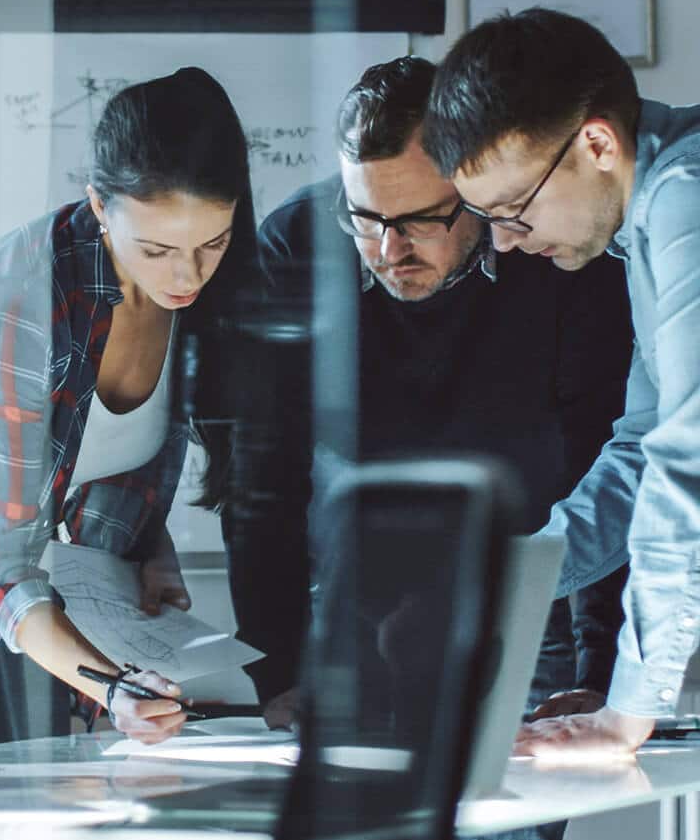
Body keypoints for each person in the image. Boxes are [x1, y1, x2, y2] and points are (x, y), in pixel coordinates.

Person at [239, 56, 633, 784]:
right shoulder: (295, 242)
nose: (390, 251)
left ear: (474, 185)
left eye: (420, 219)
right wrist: (275, 666)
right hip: (354, 600)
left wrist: (600, 668)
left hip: (529, 592)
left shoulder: (555, 246)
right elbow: (263, 470)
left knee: (513, 815)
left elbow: (606, 458)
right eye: (366, 219)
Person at [0, 67, 260, 744]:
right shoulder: (19, 298)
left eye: (211, 244)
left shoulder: (210, 299)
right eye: (158, 249)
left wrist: (149, 549)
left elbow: (94, 455)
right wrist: (112, 686)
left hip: (61, 611)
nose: (187, 275)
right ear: (100, 207)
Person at [423, 6, 700, 758]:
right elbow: (642, 449)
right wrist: (510, 581)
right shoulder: (645, 224)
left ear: (598, 142)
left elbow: (690, 460)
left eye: (515, 211)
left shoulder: (686, 198)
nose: (508, 244)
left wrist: (631, 706)